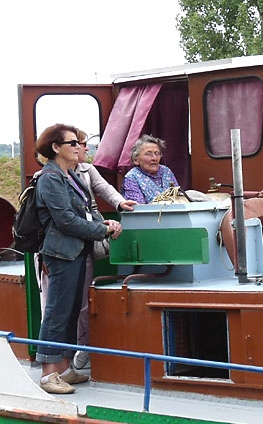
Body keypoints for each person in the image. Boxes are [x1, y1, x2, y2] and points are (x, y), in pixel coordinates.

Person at [34, 123, 122, 394]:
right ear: (55, 148)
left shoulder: (69, 175)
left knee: (71, 312)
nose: (79, 147)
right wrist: (102, 230)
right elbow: (65, 220)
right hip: (61, 253)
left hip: (77, 250)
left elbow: (84, 208)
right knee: (56, 312)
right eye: (72, 143)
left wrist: (104, 222)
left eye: (78, 142)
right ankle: (49, 374)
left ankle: (64, 368)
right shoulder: (50, 178)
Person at [70, 130, 137, 372]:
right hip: (63, 246)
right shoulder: (48, 176)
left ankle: (82, 348)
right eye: (81, 145)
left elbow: (105, 188)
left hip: (86, 240)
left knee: (83, 302)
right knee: (56, 303)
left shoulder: (87, 170)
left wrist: (120, 203)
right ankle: (55, 356)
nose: (86, 150)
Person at [122, 135, 179, 203]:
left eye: (157, 153)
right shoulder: (132, 177)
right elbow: (138, 208)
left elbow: (178, 196)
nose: (154, 158)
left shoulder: (166, 171)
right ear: (136, 160)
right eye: (148, 154)